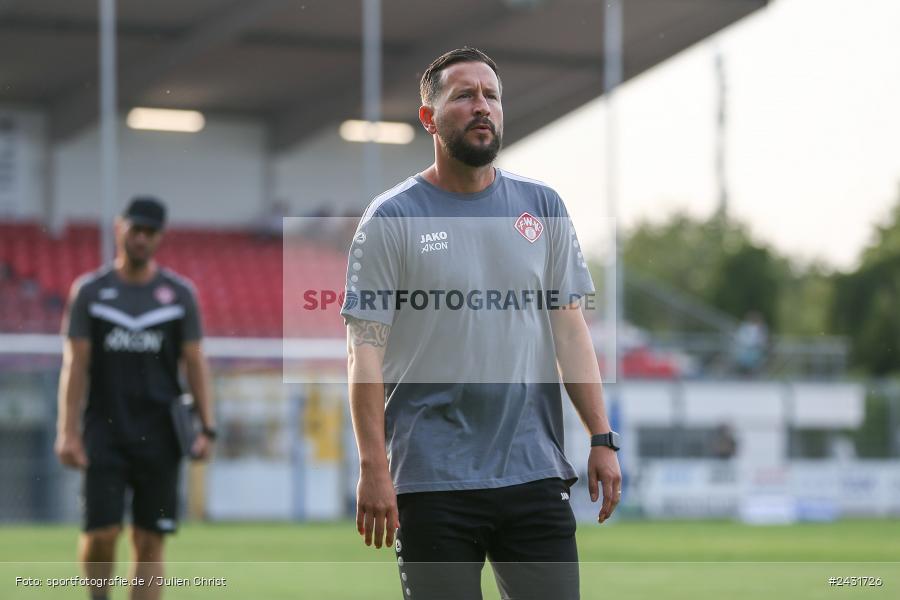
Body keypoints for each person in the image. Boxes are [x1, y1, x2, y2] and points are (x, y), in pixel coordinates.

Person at [340, 48, 621, 600]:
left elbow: (570, 332)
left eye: (491, 95)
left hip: (534, 472)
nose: (481, 107)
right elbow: (363, 352)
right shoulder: (392, 218)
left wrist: (601, 436)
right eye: (464, 95)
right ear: (429, 117)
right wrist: (374, 466)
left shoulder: (542, 207)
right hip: (430, 479)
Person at [55, 197, 216, 600]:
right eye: (135, 230)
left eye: (150, 232)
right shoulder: (91, 292)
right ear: (119, 229)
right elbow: (75, 366)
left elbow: (195, 363)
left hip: (161, 435)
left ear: (159, 237)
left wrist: (207, 428)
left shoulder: (179, 295)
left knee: (149, 540)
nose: (141, 238)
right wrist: (67, 432)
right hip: (103, 431)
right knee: (102, 533)